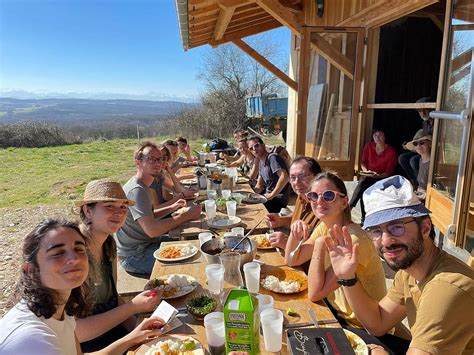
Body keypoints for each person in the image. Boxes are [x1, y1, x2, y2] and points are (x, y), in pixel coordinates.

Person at [326, 176, 474, 354]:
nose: (386, 241)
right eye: (377, 231)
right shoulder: (410, 270)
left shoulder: (447, 287)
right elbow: (378, 323)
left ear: (425, 228)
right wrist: (347, 277)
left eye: (396, 227)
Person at [0, 219, 165, 354]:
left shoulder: (61, 311)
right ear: (30, 270)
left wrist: (133, 337)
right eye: (58, 253)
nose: (74, 258)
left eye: (79, 249)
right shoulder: (34, 341)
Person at [74, 180, 162, 352]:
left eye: (123, 207)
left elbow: (114, 300)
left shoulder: (107, 243)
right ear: (88, 210)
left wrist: (138, 329)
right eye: (109, 206)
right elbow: (77, 332)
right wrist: (134, 308)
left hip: (114, 333)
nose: (119, 213)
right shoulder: (74, 253)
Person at [115, 141, 201, 276]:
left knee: (194, 247)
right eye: (151, 159)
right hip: (135, 255)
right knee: (192, 265)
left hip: (148, 243)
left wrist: (172, 207)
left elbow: (147, 216)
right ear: (138, 162)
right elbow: (152, 230)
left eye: (160, 159)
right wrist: (186, 216)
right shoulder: (136, 190)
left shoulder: (144, 185)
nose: (158, 163)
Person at [262, 156, 321, 250]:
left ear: (317, 176)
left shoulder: (323, 206)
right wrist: (280, 221)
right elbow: (298, 219)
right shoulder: (302, 197)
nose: (297, 182)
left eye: (302, 176)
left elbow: (320, 251)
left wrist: (287, 243)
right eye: (293, 178)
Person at [349, 129, 397, 223]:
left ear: (385, 137)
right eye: (375, 135)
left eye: (380, 135)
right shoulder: (369, 146)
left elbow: (388, 173)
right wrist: (367, 171)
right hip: (368, 176)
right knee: (364, 184)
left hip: (381, 178)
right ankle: (363, 217)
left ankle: (351, 208)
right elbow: (363, 162)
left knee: (364, 186)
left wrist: (376, 176)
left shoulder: (391, 152)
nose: (377, 137)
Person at [248, 135, 290, 213]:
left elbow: (284, 177)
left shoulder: (273, 158)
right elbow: (259, 186)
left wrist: (271, 195)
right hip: (268, 197)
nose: (254, 149)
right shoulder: (261, 162)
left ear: (263, 145)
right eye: (251, 148)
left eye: (256, 145)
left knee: (253, 211)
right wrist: (248, 194)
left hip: (277, 200)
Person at [398, 97, 435, 187]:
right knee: (402, 158)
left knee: (413, 160)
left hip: (432, 152)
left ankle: (422, 185)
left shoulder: (438, 122)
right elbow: (422, 139)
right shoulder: (425, 123)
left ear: (432, 109)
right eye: (419, 111)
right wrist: (410, 145)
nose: (423, 113)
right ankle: (414, 182)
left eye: (425, 110)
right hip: (423, 149)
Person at [403, 130, 432, 200]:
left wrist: (425, 195)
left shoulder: (432, 164)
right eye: (415, 144)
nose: (419, 146)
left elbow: (437, 191)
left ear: (429, 144)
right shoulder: (421, 160)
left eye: (422, 143)